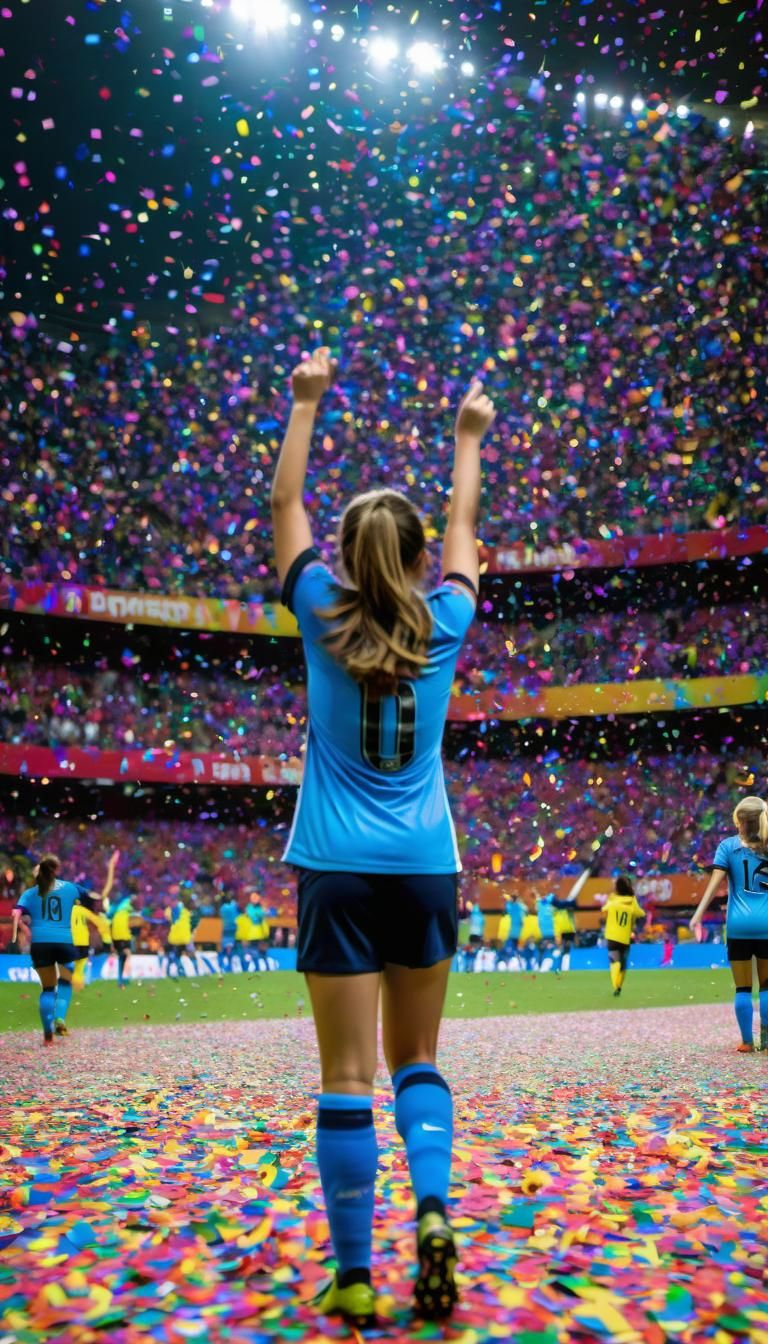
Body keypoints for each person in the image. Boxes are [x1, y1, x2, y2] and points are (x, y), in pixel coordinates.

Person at [272, 348, 494, 1325]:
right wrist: (466, 440)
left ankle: (356, 1275)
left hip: (332, 869)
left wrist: (305, 407)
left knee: (344, 1079)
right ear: (411, 561)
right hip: (424, 868)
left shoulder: (321, 610)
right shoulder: (446, 618)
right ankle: (436, 1212)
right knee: (415, 1062)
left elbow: (286, 516)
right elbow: (464, 531)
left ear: (346, 561)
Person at [689, 796, 768, 1053]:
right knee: (767, 985)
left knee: (743, 987)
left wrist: (698, 913)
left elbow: (714, 886)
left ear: (739, 820)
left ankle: (747, 1041)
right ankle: (767, 1042)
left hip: (738, 927)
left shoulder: (727, 847)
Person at [11, 855, 100, 1045]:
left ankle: (47, 1036)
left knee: (48, 989)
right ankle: (62, 1012)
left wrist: (24, 929)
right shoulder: (69, 887)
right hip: (64, 942)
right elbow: (93, 897)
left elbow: (16, 913)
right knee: (66, 980)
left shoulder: (29, 893)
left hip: (41, 943)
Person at [71, 849, 120, 994]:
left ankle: (73, 985)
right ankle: (76, 984)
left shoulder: (80, 906)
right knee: (80, 964)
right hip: (85, 940)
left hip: (76, 940)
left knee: (77, 964)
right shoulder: (88, 909)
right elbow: (106, 890)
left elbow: (106, 890)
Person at [601, 876, 645, 997]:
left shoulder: (612, 899)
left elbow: (604, 909)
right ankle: (619, 986)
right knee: (623, 963)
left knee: (614, 961)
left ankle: (615, 985)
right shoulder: (632, 901)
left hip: (612, 935)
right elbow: (640, 913)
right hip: (625, 936)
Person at [109, 886, 136, 988]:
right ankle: (122, 979)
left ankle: (122, 979)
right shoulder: (121, 906)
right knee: (123, 956)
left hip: (122, 935)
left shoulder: (117, 908)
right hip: (119, 936)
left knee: (124, 956)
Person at [165, 895, 199, 977]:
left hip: (176, 937)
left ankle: (176, 971)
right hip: (185, 937)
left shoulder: (170, 910)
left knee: (177, 955)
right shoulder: (186, 911)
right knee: (190, 954)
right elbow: (193, 921)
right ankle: (195, 971)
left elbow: (168, 919)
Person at [218, 893, 240, 973]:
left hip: (225, 929)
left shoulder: (222, 908)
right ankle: (229, 966)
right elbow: (238, 915)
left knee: (224, 947)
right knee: (230, 948)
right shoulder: (233, 907)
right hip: (233, 929)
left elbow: (220, 916)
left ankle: (221, 965)